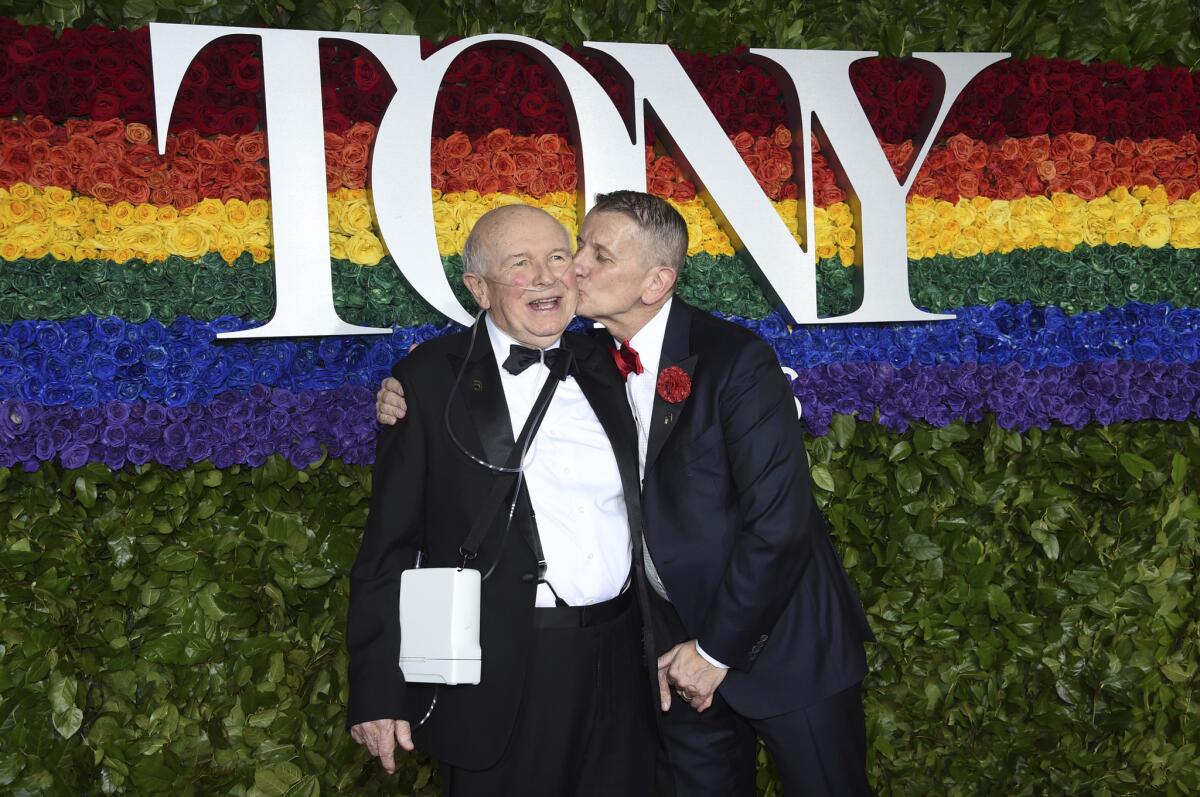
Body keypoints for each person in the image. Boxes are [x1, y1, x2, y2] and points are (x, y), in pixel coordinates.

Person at [377, 191, 874, 796]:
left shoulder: (734, 360)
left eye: (595, 255)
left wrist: (715, 652)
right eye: (577, 248)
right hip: (665, 658)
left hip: (784, 648)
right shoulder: (585, 354)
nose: (573, 268)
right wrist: (407, 386)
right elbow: (491, 354)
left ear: (656, 281)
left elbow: (780, 524)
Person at [348, 204, 654, 796]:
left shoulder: (612, 364)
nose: (546, 277)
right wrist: (378, 691)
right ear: (478, 289)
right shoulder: (429, 382)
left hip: (623, 659)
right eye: (521, 263)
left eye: (558, 258)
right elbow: (389, 549)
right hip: (503, 669)